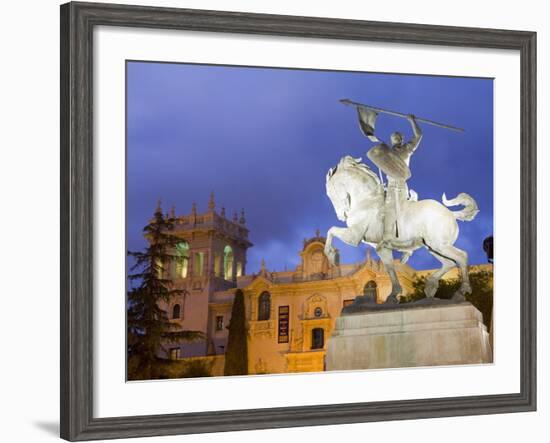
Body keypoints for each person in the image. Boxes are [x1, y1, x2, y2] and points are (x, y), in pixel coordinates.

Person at [367, 114, 422, 249]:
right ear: (391, 141)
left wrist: (412, 121)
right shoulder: (387, 153)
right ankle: (384, 236)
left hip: (401, 185)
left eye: (398, 137)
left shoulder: (407, 149)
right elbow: (380, 158)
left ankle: (400, 238)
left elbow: (418, 136)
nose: (396, 139)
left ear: (402, 139)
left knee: (395, 210)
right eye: (394, 138)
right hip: (390, 185)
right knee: (381, 209)